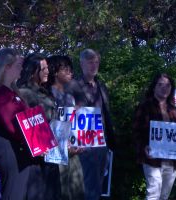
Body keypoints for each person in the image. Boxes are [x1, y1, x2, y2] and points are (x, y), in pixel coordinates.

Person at [65, 48, 114, 200]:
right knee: (84, 188)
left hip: (101, 144)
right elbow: (66, 114)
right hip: (82, 145)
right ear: (81, 63)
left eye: (96, 62)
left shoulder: (101, 85)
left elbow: (106, 114)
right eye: (90, 62)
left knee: (98, 187)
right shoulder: (72, 86)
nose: (94, 65)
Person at [0, 48, 32, 199]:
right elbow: (12, 126)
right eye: (18, 65)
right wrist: (37, 143)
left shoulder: (11, 92)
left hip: (17, 153)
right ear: (6, 67)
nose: (22, 68)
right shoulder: (0, 94)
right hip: (9, 153)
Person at [17, 53, 61, 200]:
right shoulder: (24, 93)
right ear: (33, 70)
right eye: (43, 68)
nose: (47, 71)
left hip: (51, 157)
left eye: (47, 68)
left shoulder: (45, 92)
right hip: (35, 162)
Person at [133, 73, 176, 200]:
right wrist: (144, 147)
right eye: (160, 85)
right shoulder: (144, 107)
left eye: (168, 85)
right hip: (152, 158)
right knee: (153, 193)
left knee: (164, 195)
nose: (164, 88)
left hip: (171, 159)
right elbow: (136, 131)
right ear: (154, 87)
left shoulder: (174, 109)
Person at [46, 55, 85, 200]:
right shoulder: (48, 95)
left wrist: (80, 141)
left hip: (73, 154)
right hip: (56, 156)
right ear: (55, 72)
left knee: (76, 190)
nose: (71, 72)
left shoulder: (69, 96)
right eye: (66, 69)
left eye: (71, 69)